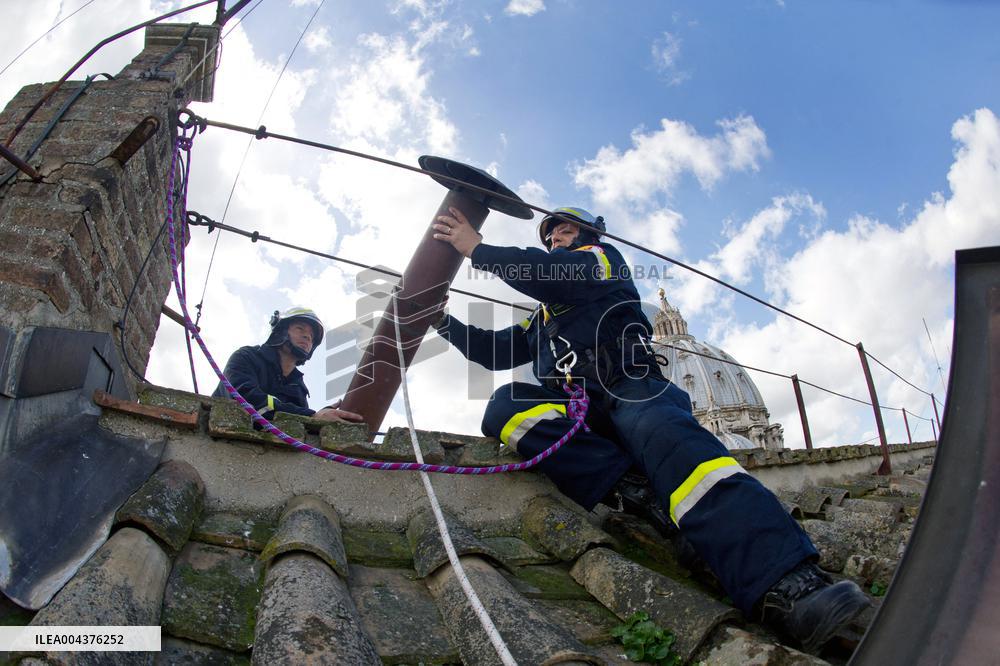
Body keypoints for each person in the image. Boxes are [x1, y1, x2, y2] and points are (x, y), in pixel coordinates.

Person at [430, 205, 870, 653]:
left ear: (586, 236)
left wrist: (478, 249)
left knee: (664, 433)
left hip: (629, 385)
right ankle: (634, 489)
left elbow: (555, 273)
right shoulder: (540, 317)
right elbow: (494, 351)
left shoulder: (601, 261)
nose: (556, 238)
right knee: (504, 407)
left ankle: (788, 582)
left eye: (565, 230)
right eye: (550, 235)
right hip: (583, 407)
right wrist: (443, 322)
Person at [213, 307, 363, 424]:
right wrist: (312, 416)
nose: (307, 337)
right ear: (280, 331)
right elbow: (246, 399)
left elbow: (299, 423)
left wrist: (321, 419)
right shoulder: (246, 357)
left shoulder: (297, 386)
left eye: (312, 336)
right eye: (300, 329)